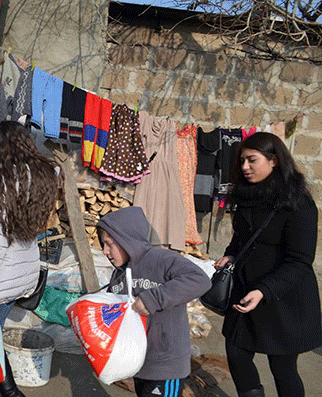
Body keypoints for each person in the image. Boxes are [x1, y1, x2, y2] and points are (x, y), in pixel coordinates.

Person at [215, 132, 321, 397]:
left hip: (283, 297)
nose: (244, 167)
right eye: (241, 161)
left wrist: (264, 290)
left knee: (282, 367)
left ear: (274, 161)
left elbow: (299, 261)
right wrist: (230, 254)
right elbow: (242, 237)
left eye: (252, 160)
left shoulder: (298, 203)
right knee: (236, 352)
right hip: (246, 288)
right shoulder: (246, 196)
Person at [0, 120, 60, 397]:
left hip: (3, 276)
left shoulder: (2, 184)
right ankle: (7, 390)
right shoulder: (41, 176)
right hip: (25, 272)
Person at [97, 206, 211, 397]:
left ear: (128, 239)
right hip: (139, 362)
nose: (104, 251)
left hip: (166, 363)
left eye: (109, 244)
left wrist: (152, 298)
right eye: (103, 244)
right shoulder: (119, 275)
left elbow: (200, 280)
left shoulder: (161, 259)